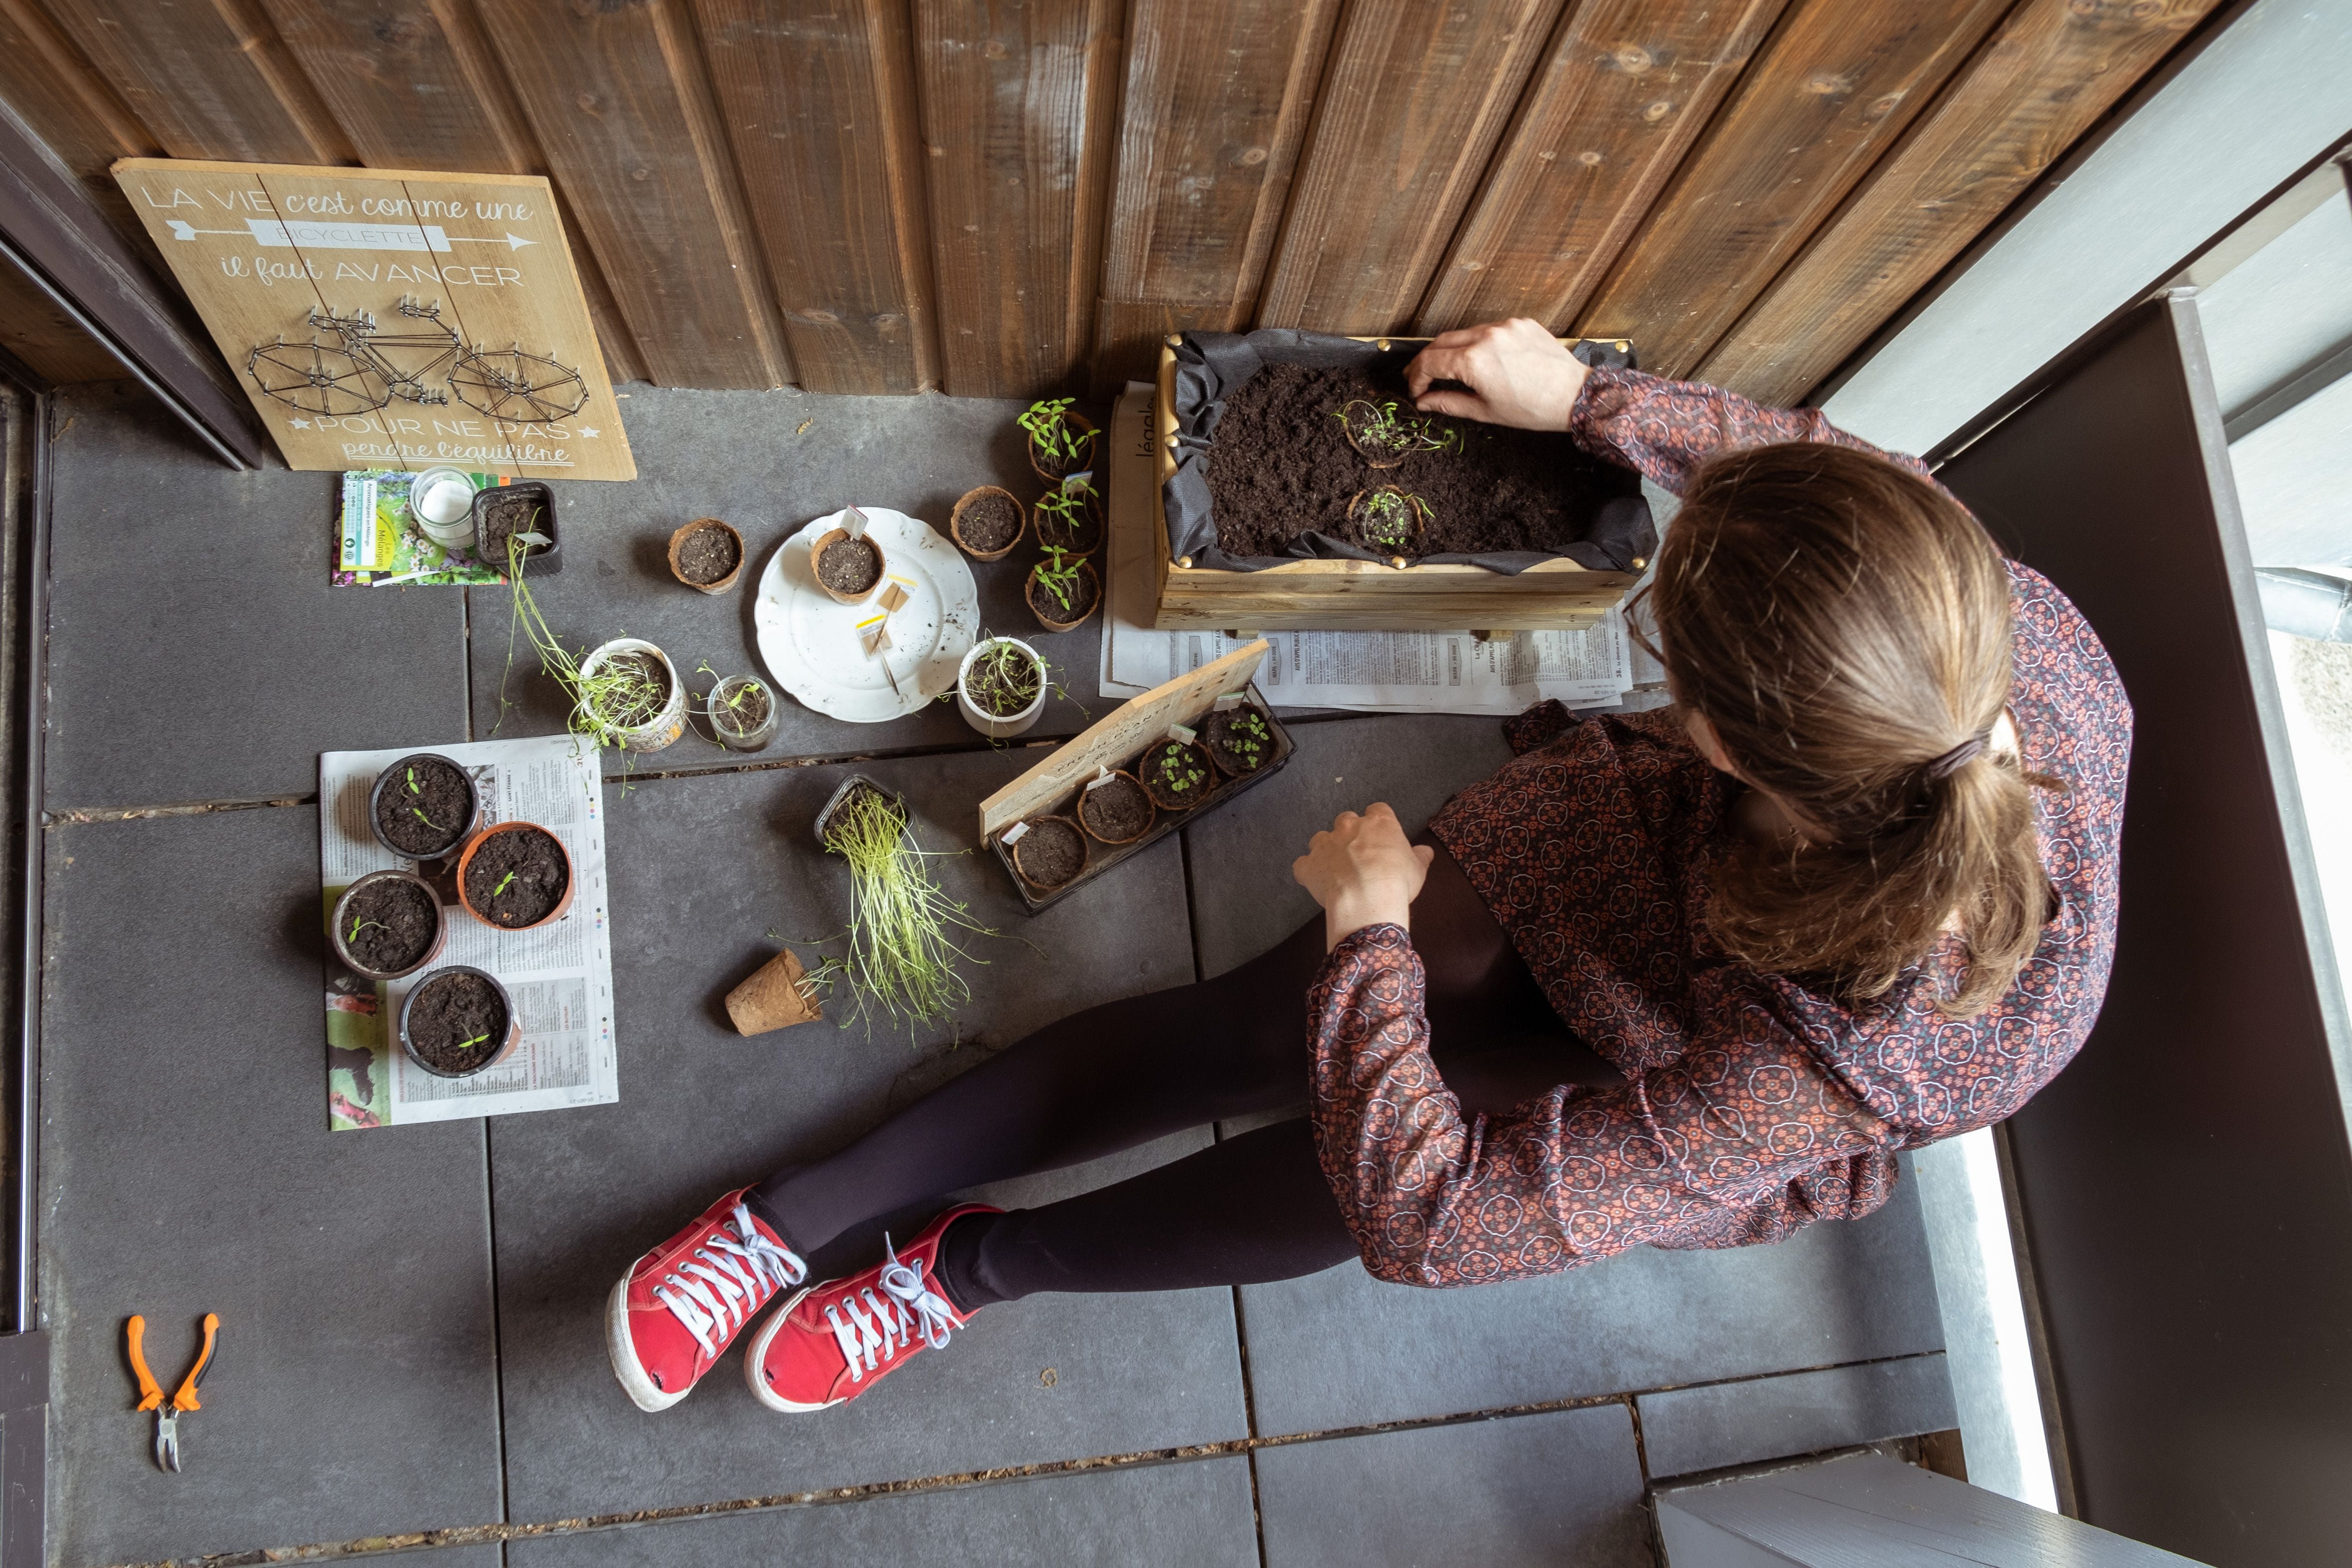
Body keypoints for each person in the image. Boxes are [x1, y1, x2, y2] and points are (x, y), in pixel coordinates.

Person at [604, 319, 2130, 1416]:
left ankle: (973, 1268)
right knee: (1251, 1034)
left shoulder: (1847, 1056)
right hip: (1649, 868)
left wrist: (1370, 943)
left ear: (1727, 744)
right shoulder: (1981, 623)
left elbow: (1438, 1222)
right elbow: (1825, 476)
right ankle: (792, 1216)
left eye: (1673, 671)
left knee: (1352, 1172)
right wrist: (1594, 400)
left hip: (1696, 1040)